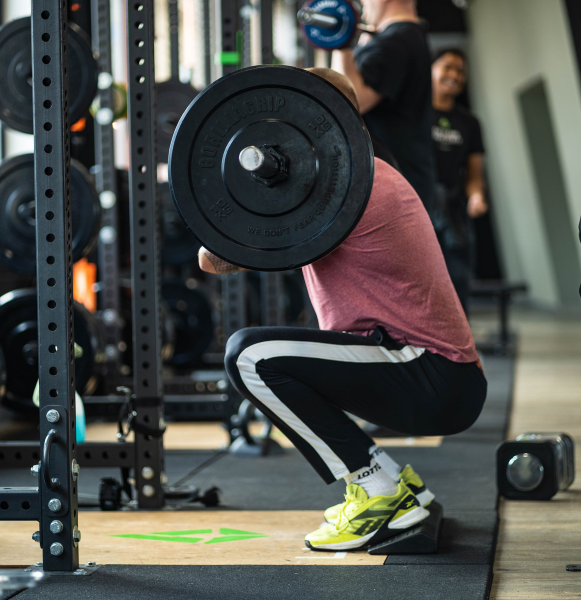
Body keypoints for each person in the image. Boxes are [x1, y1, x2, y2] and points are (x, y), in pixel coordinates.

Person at [199, 69, 487, 552]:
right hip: (435, 374)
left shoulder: (346, 192)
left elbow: (216, 259)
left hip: (430, 374)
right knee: (270, 355)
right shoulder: (353, 178)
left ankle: (377, 489)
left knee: (250, 355)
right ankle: (396, 483)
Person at [333, 0, 436, 211]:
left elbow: (348, 103)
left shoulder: (395, 42)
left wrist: (339, 41)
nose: (362, 3)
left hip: (392, 189)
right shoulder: (407, 37)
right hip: (404, 181)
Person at [431, 48, 488, 312]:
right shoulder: (413, 116)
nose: (454, 75)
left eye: (460, 71)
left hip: (453, 210)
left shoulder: (469, 122)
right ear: (431, 70)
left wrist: (476, 195)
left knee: (458, 278)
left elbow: (474, 173)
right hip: (417, 206)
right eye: (447, 67)